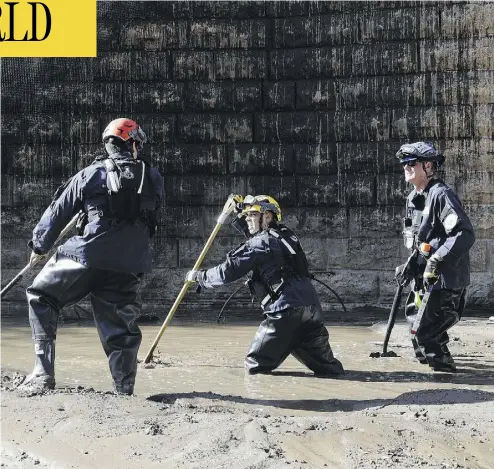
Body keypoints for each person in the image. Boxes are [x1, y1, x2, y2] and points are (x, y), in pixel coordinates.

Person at [18, 118, 164, 394]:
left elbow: (58, 211)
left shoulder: (90, 174)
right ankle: (124, 390)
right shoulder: (154, 177)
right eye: (138, 144)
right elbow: (150, 220)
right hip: (130, 264)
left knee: (41, 296)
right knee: (121, 329)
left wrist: (39, 246)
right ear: (131, 143)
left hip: (85, 256)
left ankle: (42, 373)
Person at [187, 195, 344, 376]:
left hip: (285, 313)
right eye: (247, 216)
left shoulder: (260, 242)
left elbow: (228, 271)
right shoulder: (287, 235)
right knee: (330, 370)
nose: (247, 219)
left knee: (255, 368)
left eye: (252, 215)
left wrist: (200, 277)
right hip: (312, 311)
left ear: (267, 217)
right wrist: (239, 212)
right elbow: (256, 236)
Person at [395, 142, 475, 372]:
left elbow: (464, 233)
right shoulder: (414, 198)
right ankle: (429, 367)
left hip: (444, 281)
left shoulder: (441, 195)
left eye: (411, 163)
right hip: (422, 279)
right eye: (404, 164)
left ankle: (446, 378)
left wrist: (437, 259)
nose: (406, 168)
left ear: (427, 166)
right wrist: (410, 265)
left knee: (427, 332)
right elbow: (418, 238)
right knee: (414, 323)